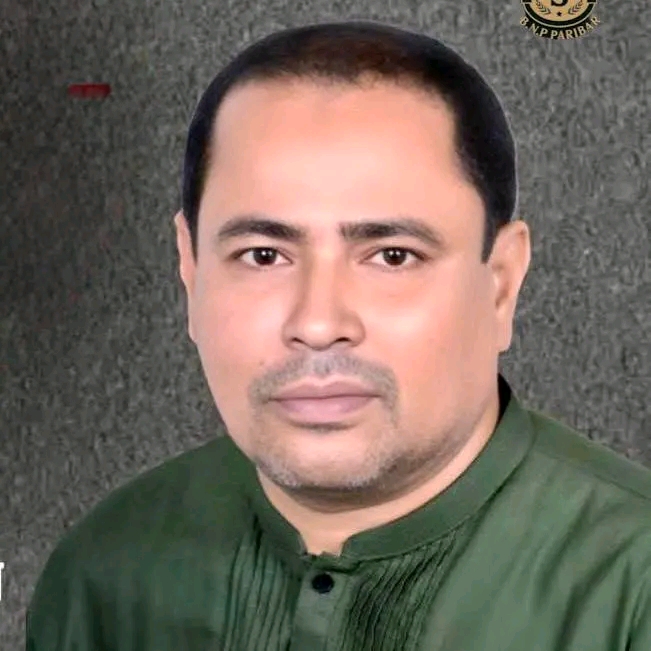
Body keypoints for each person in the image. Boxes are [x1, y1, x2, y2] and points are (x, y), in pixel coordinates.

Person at [27, 20, 651, 651]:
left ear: (501, 284)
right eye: (264, 255)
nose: (319, 324)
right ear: (191, 272)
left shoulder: (632, 585)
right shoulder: (103, 574)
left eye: (392, 256)